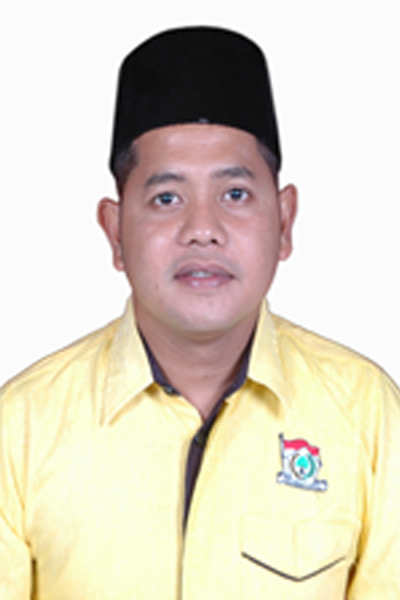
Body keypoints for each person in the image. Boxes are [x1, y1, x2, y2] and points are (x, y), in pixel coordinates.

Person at [0, 26, 399, 600]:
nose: (203, 230)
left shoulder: (369, 416)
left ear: (285, 221)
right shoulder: (21, 427)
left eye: (235, 194)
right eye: (167, 198)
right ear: (115, 232)